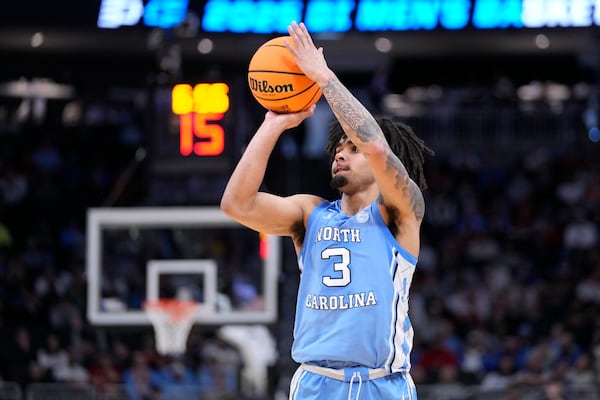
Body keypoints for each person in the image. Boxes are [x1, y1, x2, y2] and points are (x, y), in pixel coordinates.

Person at [220, 21, 434, 399]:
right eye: (338, 147)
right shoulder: (310, 213)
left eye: (353, 148)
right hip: (316, 383)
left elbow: (378, 149)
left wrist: (323, 77)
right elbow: (236, 204)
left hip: (383, 385)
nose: (341, 153)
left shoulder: (400, 214)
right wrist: (272, 125)